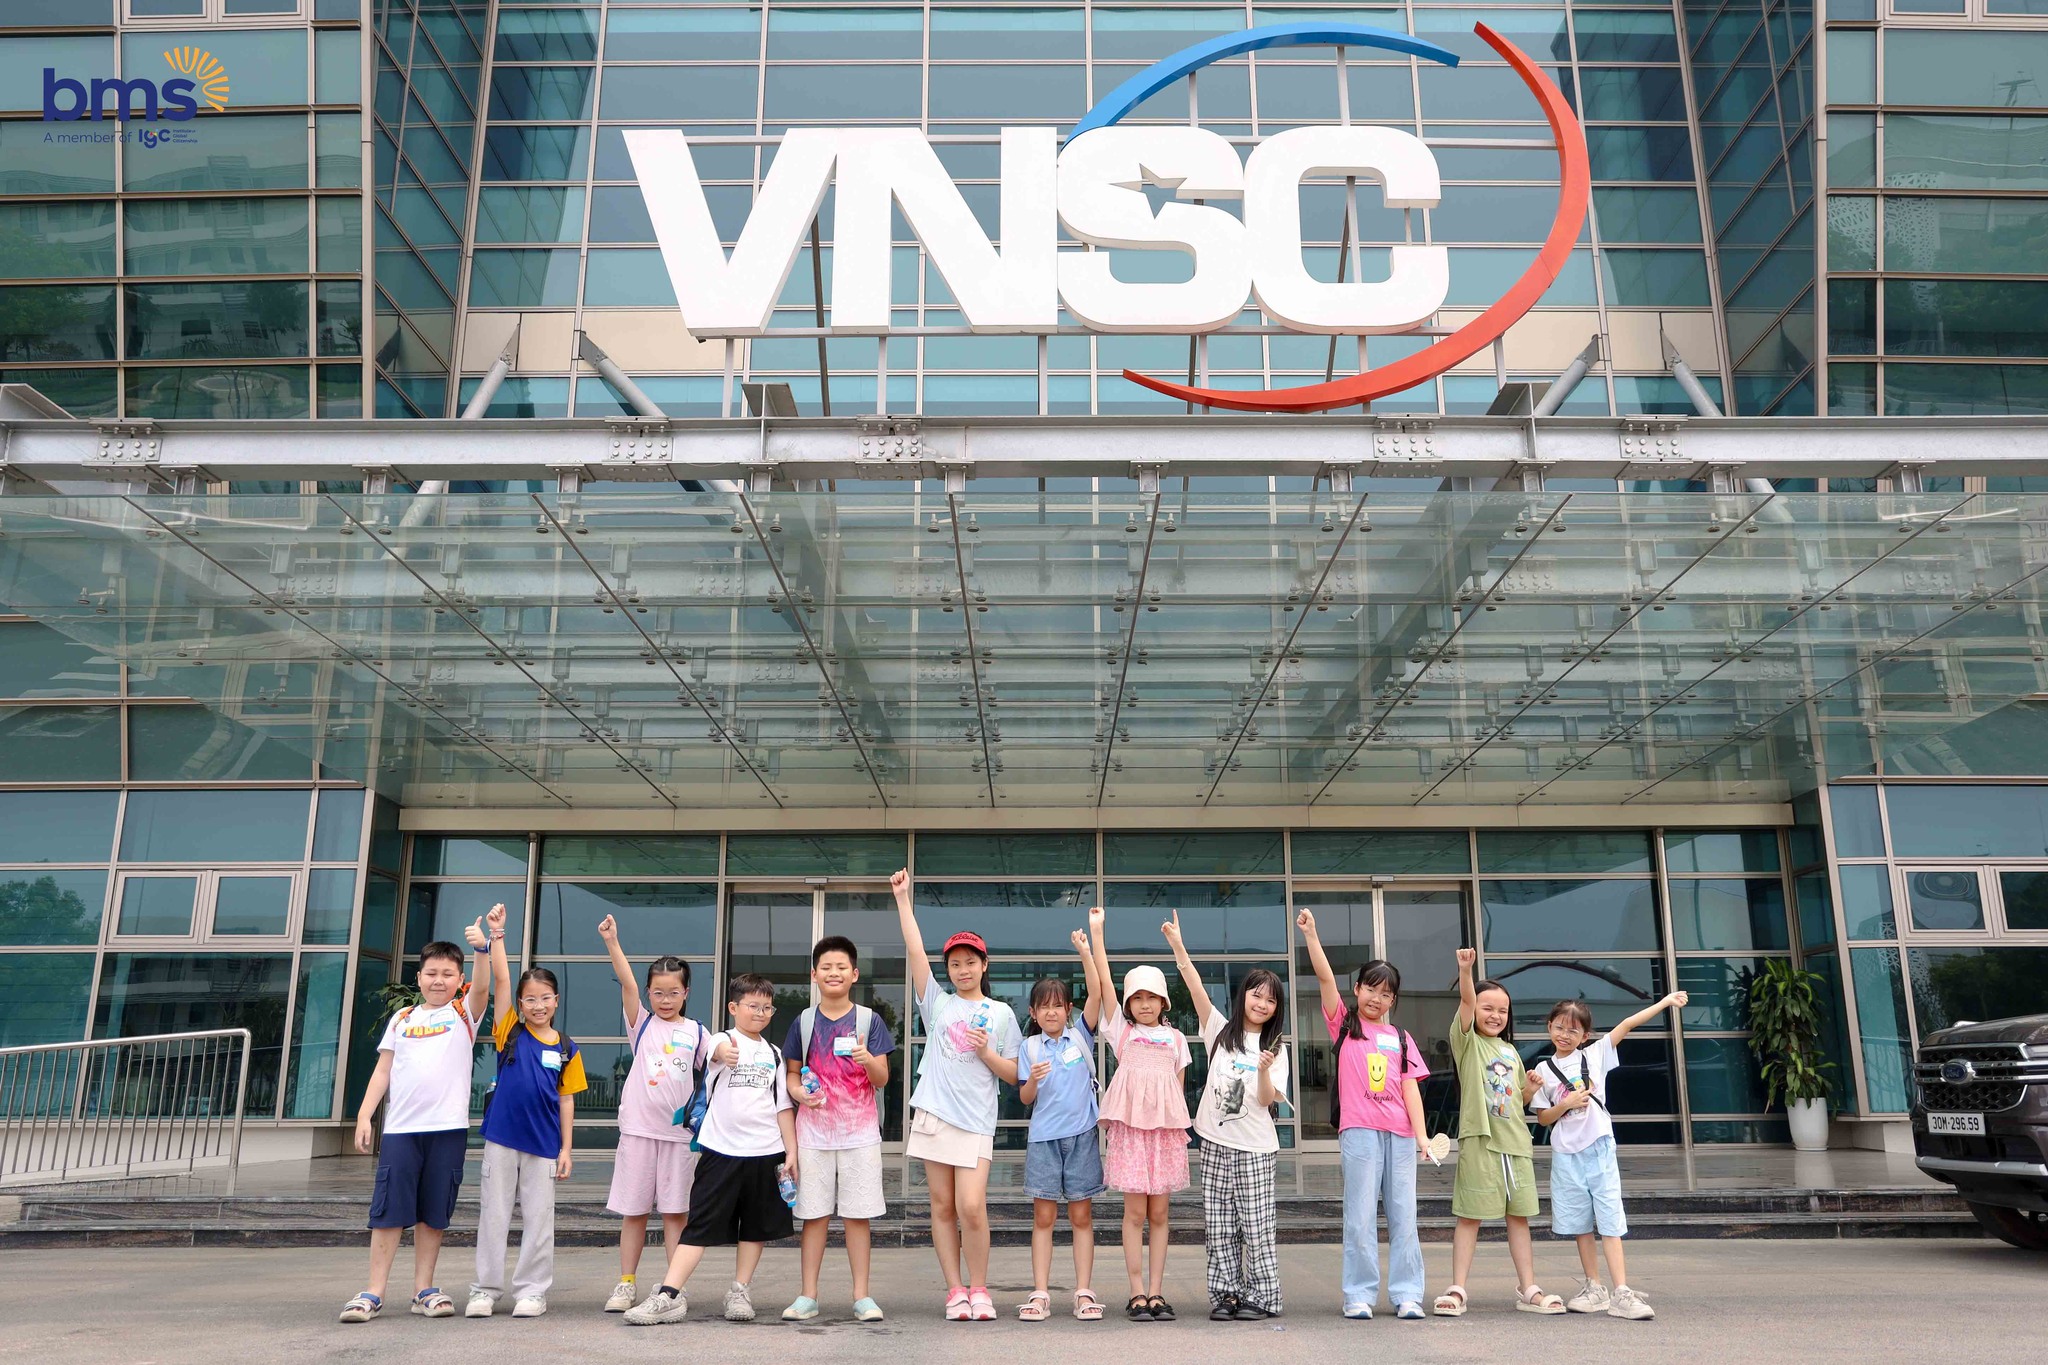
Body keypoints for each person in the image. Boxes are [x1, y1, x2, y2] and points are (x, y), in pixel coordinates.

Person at [338, 905, 501, 1324]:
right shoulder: (403, 1018)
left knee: (433, 1211)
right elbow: (383, 1070)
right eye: (431, 973)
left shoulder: (463, 1014)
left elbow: (484, 988)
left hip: (447, 1130)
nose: (438, 980)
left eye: (448, 974)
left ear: (459, 980)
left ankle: (423, 1289)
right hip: (401, 1131)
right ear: (419, 977)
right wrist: (364, 1115)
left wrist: (482, 950)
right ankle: (373, 1292)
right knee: (389, 1210)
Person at [624, 973, 798, 1326]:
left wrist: (791, 1152)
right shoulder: (722, 1039)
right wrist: (723, 1053)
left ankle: (740, 1292)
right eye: (752, 1006)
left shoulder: (775, 1054)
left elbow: (782, 1107)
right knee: (699, 1225)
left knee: (755, 1228)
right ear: (734, 1007)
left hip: (766, 1152)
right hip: (721, 1151)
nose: (760, 1013)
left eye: (766, 1008)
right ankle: (669, 1295)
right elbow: (714, 1052)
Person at [891, 867, 1021, 1321]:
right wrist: (903, 899)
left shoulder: (1002, 1013)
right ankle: (955, 1291)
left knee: (971, 1205)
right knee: (943, 1206)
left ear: (984, 965)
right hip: (935, 1115)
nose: (962, 970)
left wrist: (986, 1052)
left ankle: (980, 1288)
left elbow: (1013, 1075)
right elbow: (914, 951)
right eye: (954, 964)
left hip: (976, 1120)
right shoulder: (938, 1003)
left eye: (970, 962)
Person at [1297, 908, 1432, 1322]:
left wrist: (1422, 1136)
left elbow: (1410, 1088)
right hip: (1359, 1131)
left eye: (1386, 993)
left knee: (1404, 1215)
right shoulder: (1344, 1024)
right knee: (1359, 1216)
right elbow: (1324, 979)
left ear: (1394, 1000)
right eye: (1371, 988)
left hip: (1401, 1135)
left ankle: (1408, 1294)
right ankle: (1358, 1294)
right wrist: (1312, 935)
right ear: (1357, 989)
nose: (1377, 998)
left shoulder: (1401, 1037)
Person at [1532, 990, 1688, 1321]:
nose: (1564, 1035)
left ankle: (1622, 1291)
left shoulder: (1595, 1054)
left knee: (1609, 1218)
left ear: (1585, 1035)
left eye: (1573, 1030)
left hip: (1599, 1146)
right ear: (1549, 1027)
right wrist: (1566, 1104)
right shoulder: (1542, 1069)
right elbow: (1543, 1118)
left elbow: (1627, 1024)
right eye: (1559, 1027)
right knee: (1580, 1224)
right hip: (1566, 1153)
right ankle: (1594, 1287)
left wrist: (1664, 1003)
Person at [1166, 910, 1289, 1323]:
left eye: (1270, 1000)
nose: (1262, 1004)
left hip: (1256, 1148)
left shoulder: (1277, 1048)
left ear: (1276, 1008)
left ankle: (1264, 1296)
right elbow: (1194, 985)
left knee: (1256, 1226)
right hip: (1215, 1143)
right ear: (1244, 995)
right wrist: (1178, 946)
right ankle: (1226, 1295)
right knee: (1219, 1225)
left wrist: (1265, 1069)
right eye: (1257, 995)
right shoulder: (1220, 1030)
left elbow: (1267, 1100)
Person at [1435, 947, 1563, 1318]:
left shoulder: (1510, 1052)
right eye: (1487, 1007)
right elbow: (1465, 1000)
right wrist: (1465, 970)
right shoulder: (1467, 1042)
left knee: (1518, 1217)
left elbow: (1517, 1101)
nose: (1495, 1015)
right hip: (1481, 1141)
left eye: (1502, 1010)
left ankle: (1529, 1288)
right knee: (1469, 1216)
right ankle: (1458, 1288)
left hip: (1516, 1144)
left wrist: (1531, 1089)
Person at [780, 935, 895, 1324]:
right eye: (826, 967)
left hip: (859, 1134)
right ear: (814, 974)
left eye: (841, 967)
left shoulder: (869, 1020)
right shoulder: (804, 1022)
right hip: (813, 1135)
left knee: (857, 1216)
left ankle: (862, 1296)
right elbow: (791, 1074)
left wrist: (867, 1059)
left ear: (854, 974)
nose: (834, 973)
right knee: (813, 1216)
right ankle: (807, 1295)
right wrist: (800, 1094)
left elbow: (882, 1079)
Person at [596, 914, 708, 1314]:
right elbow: (626, 983)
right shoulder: (640, 1024)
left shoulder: (697, 1032)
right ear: (648, 993)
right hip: (639, 1132)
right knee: (635, 1212)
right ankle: (626, 1283)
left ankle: (673, 1289)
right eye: (658, 992)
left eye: (673, 992)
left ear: (686, 992)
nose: (665, 999)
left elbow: (718, 1067)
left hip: (679, 1138)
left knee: (676, 1214)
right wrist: (613, 942)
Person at [467, 946, 586, 1319]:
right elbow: (502, 979)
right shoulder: (509, 1033)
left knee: (539, 1221)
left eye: (545, 998)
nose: (538, 1006)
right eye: (530, 999)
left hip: (544, 1145)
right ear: (520, 1003)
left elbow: (566, 1100)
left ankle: (532, 1292)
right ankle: (485, 1290)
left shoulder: (567, 1048)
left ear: (557, 1000)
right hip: (502, 1140)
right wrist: (497, 939)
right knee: (494, 1216)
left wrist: (566, 1149)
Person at [1088, 907, 1191, 1323]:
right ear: (1128, 1003)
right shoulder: (1122, 1031)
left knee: (1160, 1215)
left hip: (1163, 1135)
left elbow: (1177, 1093)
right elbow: (1103, 981)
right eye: (1137, 997)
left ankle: (1156, 1291)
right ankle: (1135, 1292)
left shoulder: (1177, 1039)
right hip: (1132, 1133)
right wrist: (1097, 934)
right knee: (1134, 1214)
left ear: (1163, 1001)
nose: (1144, 1004)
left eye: (1151, 997)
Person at [1015, 915, 1108, 1323]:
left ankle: (1084, 1293)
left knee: (1082, 1217)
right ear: (1033, 1012)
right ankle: (1040, 1293)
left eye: (1058, 1006)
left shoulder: (1080, 1036)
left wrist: (1086, 951)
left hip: (1082, 1136)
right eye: (1044, 1007)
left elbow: (1098, 992)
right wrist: (1034, 1080)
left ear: (1068, 1009)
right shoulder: (1030, 1048)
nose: (1051, 1012)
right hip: (1044, 1140)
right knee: (1044, 1217)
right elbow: (1024, 1098)